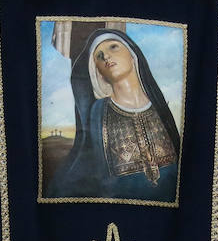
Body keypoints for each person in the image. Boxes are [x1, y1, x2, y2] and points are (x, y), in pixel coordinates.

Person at [47, 28, 180, 202]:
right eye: (99, 56)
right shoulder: (98, 112)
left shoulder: (159, 107)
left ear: (133, 56)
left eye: (113, 47)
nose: (106, 56)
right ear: (98, 75)